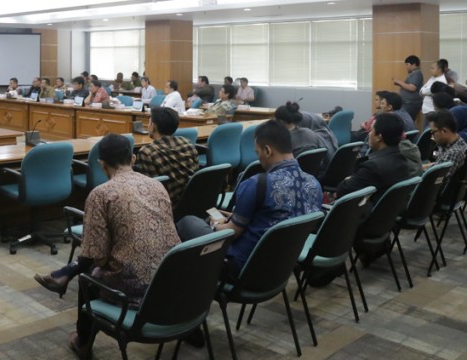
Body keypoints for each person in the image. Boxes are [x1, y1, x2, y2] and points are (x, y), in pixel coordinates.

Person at [32, 134, 180, 359]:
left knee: (89, 277)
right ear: (133, 158)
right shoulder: (157, 185)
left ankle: (83, 342)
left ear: (101, 164)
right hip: (171, 280)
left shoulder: (101, 194)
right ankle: (65, 274)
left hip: (138, 292)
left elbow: (98, 257)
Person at [176, 120, 322, 276]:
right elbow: (282, 217)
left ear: (267, 151)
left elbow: (231, 233)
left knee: (188, 222)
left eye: (257, 153)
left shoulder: (258, 184)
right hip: (282, 267)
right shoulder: (314, 184)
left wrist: (215, 223)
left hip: (242, 266)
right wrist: (236, 217)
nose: (258, 158)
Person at [133, 106, 198, 211]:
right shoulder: (187, 143)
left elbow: (148, 191)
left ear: (153, 126)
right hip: (192, 201)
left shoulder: (147, 152)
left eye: (149, 123)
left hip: (165, 207)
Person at [337, 113, 411, 202]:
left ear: (379, 137)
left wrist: (348, 179)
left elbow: (342, 191)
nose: (368, 134)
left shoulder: (372, 167)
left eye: (371, 130)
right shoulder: (402, 159)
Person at [424, 110, 467, 184]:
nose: (432, 136)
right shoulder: (450, 142)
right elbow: (438, 164)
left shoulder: (454, 153)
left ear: (444, 131)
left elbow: (434, 180)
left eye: (433, 132)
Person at [393, 55, 425, 120]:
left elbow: (412, 88)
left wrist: (399, 82)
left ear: (414, 64)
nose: (406, 67)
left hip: (410, 103)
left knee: (406, 121)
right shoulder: (414, 73)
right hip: (408, 103)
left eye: (407, 64)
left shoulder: (417, 73)